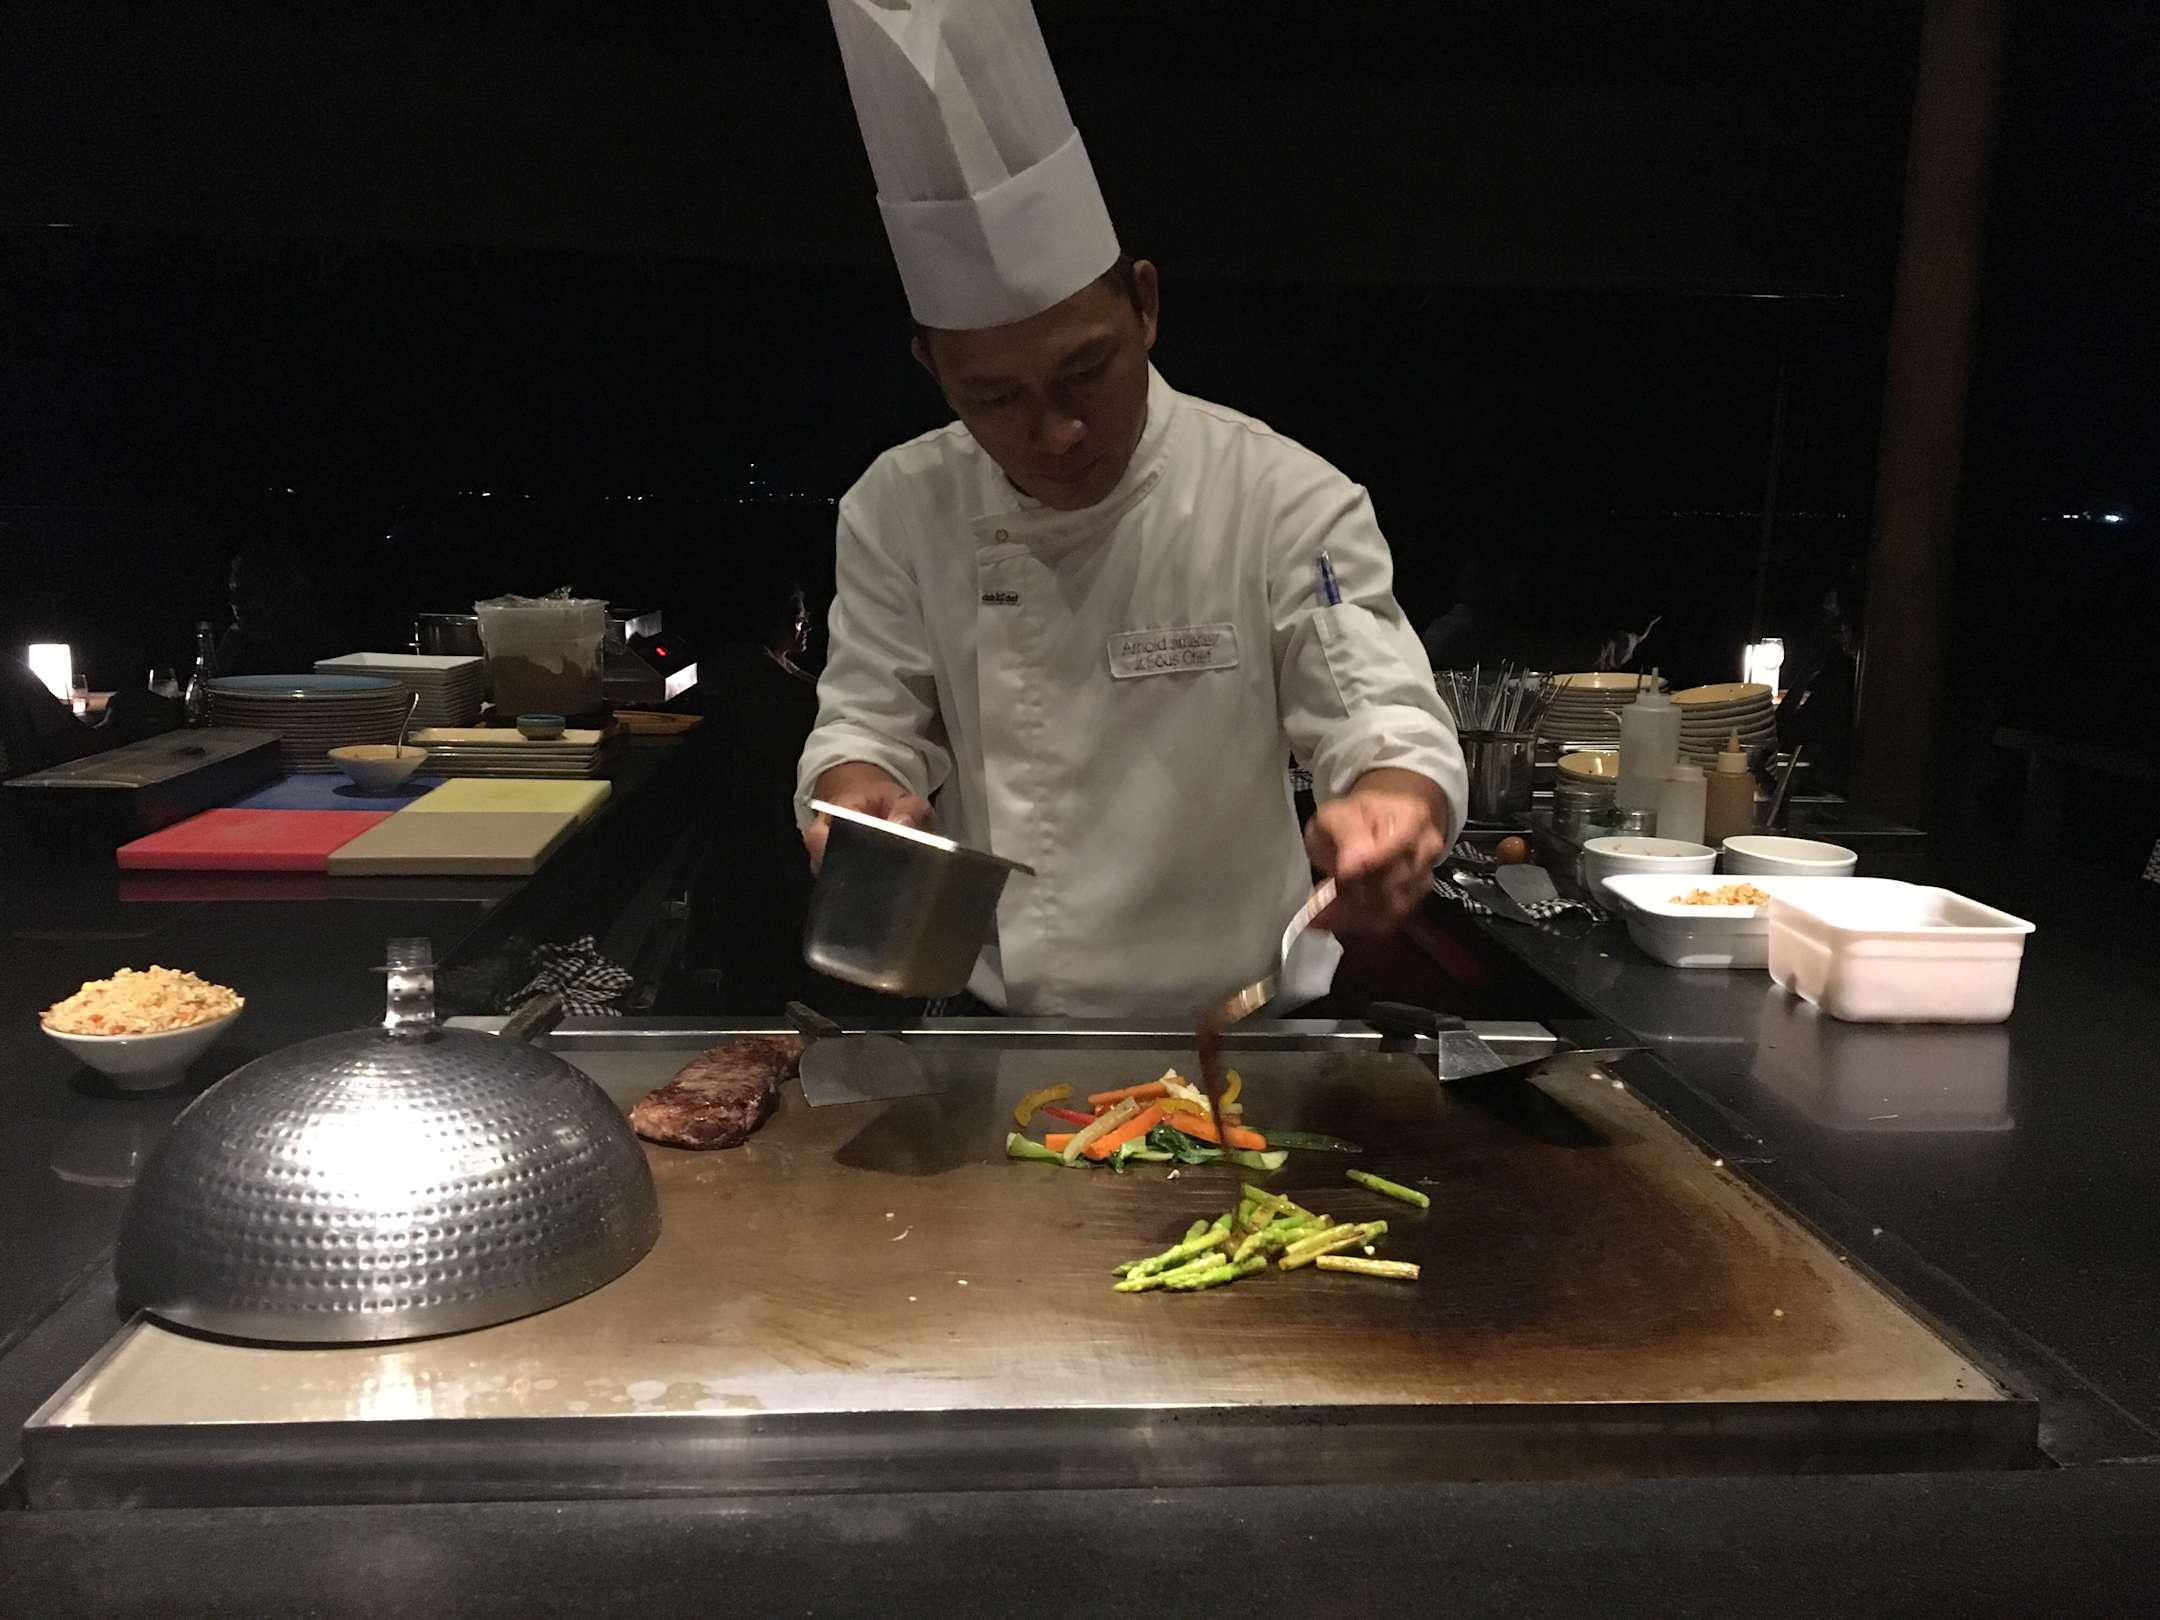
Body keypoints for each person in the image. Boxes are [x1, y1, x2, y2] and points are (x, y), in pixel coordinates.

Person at [798, 0, 1465, 1018]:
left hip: (1244, 1029)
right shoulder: (898, 506)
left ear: (1145, 304)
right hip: (997, 1029)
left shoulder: (1282, 496)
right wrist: (857, 798)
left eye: (1086, 371)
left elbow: (1377, 714)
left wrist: (1392, 809)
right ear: (932, 369)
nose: (1057, 431)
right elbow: (866, 721)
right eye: (995, 398)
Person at [217, 551, 343, 677]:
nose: (233, 601)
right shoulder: (237, 639)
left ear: (277, 593)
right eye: (233, 590)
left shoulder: (321, 647)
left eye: (247, 591)